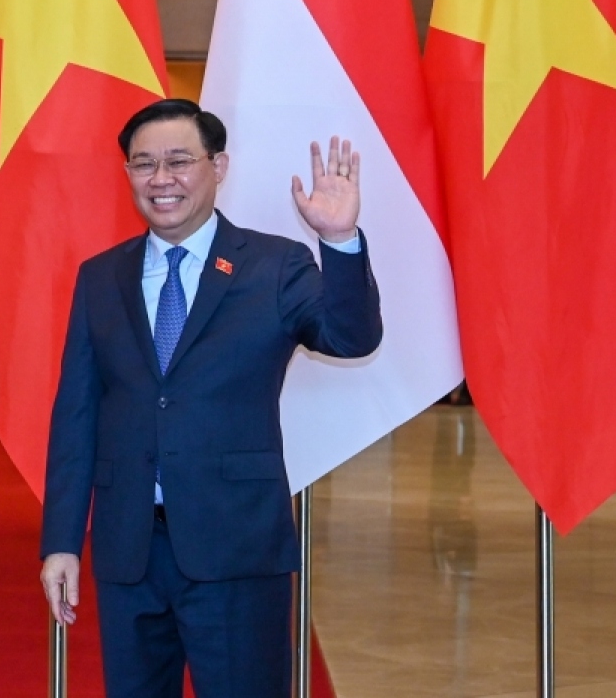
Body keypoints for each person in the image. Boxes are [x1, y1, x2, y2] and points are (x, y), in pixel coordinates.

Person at [39, 99, 381, 697]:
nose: (161, 179)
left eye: (178, 160)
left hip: (238, 550)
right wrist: (62, 542)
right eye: (143, 164)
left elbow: (351, 338)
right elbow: (76, 416)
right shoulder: (101, 277)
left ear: (218, 166)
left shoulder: (274, 265)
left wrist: (342, 240)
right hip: (129, 552)